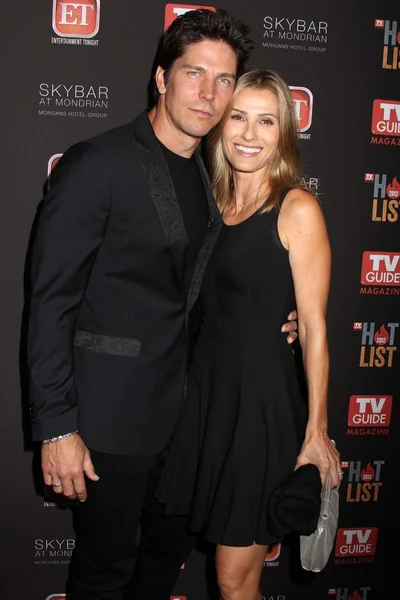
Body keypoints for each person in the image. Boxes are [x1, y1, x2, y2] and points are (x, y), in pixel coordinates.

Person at [27, 10, 298, 600]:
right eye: (193, 73)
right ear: (160, 78)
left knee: (159, 571)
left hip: (190, 423)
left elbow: (211, 280)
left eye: (224, 80)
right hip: (110, 420)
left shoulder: (215, 172)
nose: (208, 93)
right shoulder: (97, 164)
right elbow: (50, 303)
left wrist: (280, 313)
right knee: (104, 575)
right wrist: (55, 428)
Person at [156, 69, 342, 600]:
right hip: (207, 403)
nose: (249, 133)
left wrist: (316, 430)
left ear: (283, 133)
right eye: (238, 116)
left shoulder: (296, 208)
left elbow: (314, 327)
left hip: (259, 410)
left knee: (234, 580)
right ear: (220, 122)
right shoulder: (209, 205)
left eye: (266, 121)